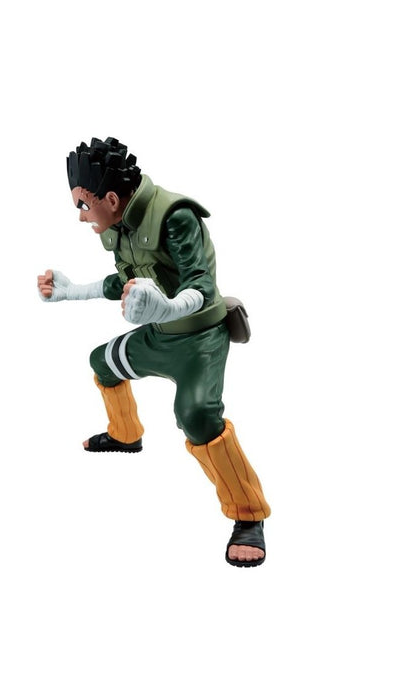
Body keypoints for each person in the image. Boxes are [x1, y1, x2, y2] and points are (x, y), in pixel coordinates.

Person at [38, 137, 271, 567]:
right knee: (103, 362)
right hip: (160, 336)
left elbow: (200, 286)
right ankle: (126, 434)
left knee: (196, 416)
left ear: (111, 199)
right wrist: (73, 291)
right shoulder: (119, 225)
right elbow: (123, 280)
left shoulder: (175, 216)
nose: (82, 216)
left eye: (83, 205)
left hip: (200, 339)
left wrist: (165, 307)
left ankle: (248, 514)